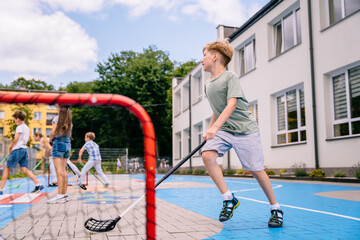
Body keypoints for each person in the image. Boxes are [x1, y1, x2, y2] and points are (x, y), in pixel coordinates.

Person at [200, 39, 283, 227]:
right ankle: (228, 198)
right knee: (207, 155)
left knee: (256, 170)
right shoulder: (208, 84)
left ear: (215, 57)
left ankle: (275, 208)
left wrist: (214, 128)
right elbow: (217, 108)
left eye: (204, 55)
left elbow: (231, 104)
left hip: (246, 130)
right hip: (225, 129)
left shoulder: (231, 77)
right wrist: (211, 128)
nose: (201, 60)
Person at [0, 110, 44, 195]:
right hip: (24, 149)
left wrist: (10, 147)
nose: (15, 121)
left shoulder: (19, 127)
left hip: (17, 150)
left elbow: (15, 139)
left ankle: (0, 189)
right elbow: (27, 139)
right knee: (24, 169)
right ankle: (38, 184)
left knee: (7, 169)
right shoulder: (27, 127)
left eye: (15, 119)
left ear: (17, 118)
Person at [47, 105, 72, 204]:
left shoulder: (57, 118)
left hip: (58, 144)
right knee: (64, 171)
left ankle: (60, 195)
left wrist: (50, 140)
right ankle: (64, 194)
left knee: (59, 171)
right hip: (67, 144)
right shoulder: (69, 121)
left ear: (59, 109)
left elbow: (53, 132)